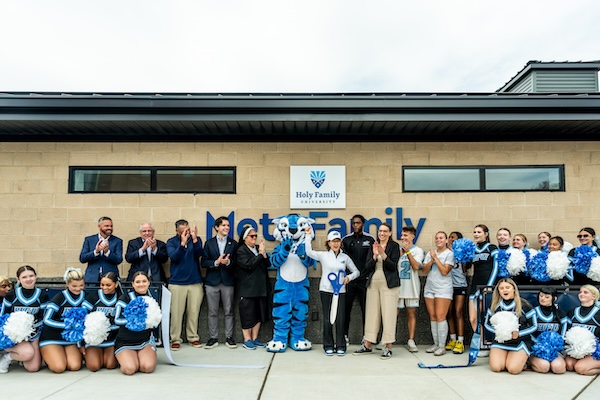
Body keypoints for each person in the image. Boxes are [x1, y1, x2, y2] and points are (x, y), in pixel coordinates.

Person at [305, 228, 359, 356]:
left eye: (337, 241)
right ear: (328, 243)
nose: (335, 244)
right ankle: (328, 345)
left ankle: (340, 346)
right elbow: (308, 252)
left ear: (340, 242)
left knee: (340, 319)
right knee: (327, 319)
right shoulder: (323, 256)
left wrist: (349, 277)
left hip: (341, 292)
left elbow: (356, 272)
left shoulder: (345, 258)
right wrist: (308, 236)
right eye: (333, 241)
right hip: (326, 291)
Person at [353, 223, 400, 360]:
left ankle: (388, 346)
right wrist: (374, 256)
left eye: (385, 231)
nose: (382, 234)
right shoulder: (373, 245)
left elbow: (393, 266)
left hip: (389, 283)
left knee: (388, 314)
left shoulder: (394, 246)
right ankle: (367, 344)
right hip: (374, 282)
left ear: (390, 233)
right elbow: (367, 267)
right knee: (372, 313)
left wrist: (383, 254)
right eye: (380, 231)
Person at [39, 268, 93, 373]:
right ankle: (49, 355)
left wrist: (81, 343)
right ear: (67, 284)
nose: (78, 289)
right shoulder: (59, 297)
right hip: (52, 337)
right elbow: (47, 320)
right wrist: (69, 325)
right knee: (59, 367)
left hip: (70, 340)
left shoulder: (86, 297)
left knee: (75, 366)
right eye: (74, 286)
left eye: (81, 285)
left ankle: (60, 355)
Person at [0, 266, 48, 373]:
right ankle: (7, 357)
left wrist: (29, 329)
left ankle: (16, 355)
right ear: (18, 279)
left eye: (31, 276)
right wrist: (14, 332)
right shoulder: (11, 295)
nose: (28, 279)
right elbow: (3, 316)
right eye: (24, 277)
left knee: (33, 368)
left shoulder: (42, 295)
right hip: (14, 335)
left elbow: (43, 318)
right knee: (27, 353)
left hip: (33, 334)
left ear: (35, 277)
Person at [483, 278, 537, 374]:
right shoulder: (495, 306)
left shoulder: (524, 305)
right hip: (501, 341)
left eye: (508, 287)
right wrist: (498, 331)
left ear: (514, 289)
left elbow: (534, 326)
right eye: (501, 288)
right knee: (496, 368)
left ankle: (523, 359)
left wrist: (519, 333)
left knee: (513, 369)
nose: (505, 290)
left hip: (520, 341)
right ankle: (507, 357)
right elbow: (487, 324)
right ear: (498, 291)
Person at [166, 219, 204, 351]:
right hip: (177, 283)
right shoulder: (171, 242)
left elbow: (200, 254)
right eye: (183, 231)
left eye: (187, 230)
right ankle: (175, 339)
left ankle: (193, 337)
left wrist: (194, 240)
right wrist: (182, 244)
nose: (186, 233)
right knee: (176, 313)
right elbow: (174, 257)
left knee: (193, 312)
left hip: (195, 281)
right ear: (177, 231)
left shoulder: (196, 239)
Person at [201, 216, 238, 349]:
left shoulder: (233, 244)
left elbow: (236, 263)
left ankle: (229, 337)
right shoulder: (209, 243)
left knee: (229, 311)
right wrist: (216, 262)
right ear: (217, 227)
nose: (227, 228)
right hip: (212, 282)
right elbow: (204, 262)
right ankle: (213, 338)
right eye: (224, 225)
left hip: (227, 281)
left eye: (228, 225)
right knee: (212, 311)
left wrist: (227, 262)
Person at [114, 271, 158, 375]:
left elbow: (156, 321)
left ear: (148, 283)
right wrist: (135, 321)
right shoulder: (125, 298)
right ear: (133, 284)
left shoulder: (152, 299)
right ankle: (125, 357)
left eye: (144, 281)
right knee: (130, 369)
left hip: (144, 341)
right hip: (125, 341)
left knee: (147, 367)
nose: (141, 284)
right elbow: (117, 320)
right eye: (138, 282)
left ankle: (141, 355)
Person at [234, 226, 272, 350]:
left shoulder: (257, 249)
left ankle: (255, 338)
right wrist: (260, 255)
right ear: (245, 238)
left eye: (255, 236)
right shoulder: (241, 251)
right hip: (247, 288)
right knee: (247, 314)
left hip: (260, 287)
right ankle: (247, 339)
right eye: (252, 236)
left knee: (258, 314)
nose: (254, 238)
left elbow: (267, 264)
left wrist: (264, 254)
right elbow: (249, 265)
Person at [341, 214, 375, 345]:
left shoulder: (370, 239)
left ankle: (366, 337)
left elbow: (372, 259)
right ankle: (344, 336)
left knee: (367, 311)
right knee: (346, 310)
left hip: (365, 281)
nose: (356, 225)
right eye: (354, 223)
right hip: (350, 281)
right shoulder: (346, 240)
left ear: (363, 224)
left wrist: (368, 275)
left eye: (358, 223)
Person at [422, 231, 455, 356]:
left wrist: (435, 258)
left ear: (446, 240)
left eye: (441, 238)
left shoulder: (449, 254)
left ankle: (442, 346)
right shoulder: (431, 253)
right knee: (433, 317)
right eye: (436, 238)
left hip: (443, 289)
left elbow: (445, 271)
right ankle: (436, 344)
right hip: (429, 287)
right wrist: (431, 259)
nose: (438, 240)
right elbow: (424, 270)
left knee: (441, 316)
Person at [468, 224, 499, 357]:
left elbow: (495, 268)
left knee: (484, 316)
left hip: (487, 286)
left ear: (486, 234)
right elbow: (468, 267)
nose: (476, 234)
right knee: (473, 317)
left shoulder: (492, 248)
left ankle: (487, 345)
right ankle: (479, 343)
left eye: (479, 232)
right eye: (474, 232)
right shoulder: (472, 249)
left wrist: (489, 286)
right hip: (474, 284)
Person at [83, 272, 121, 371]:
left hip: (112, 340)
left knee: (110, 365)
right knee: (94, 366)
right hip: (94, 340)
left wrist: (105, 329)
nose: (104, 287)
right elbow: (82, 318)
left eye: (108, 285)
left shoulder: (121, 298)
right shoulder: (93, 297)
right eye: (102, 285)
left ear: (116, 284)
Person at [397, 225, 425, 353]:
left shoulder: (418, 251)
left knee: (411, 313)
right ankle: (387, 339)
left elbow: (415, 266)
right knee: (393, 313)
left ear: (413, 237)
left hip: (411, 286)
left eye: (406, 235)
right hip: (397, 286)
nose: (403, 238)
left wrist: (408, 252)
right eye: (402, 235)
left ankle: (411, 340)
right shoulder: (396, 249)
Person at [529, 287, 568, 374]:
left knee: (558, 369)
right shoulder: (532, 312)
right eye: (541, 296)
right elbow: (529, 333)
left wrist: (553, 347)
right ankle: (529, 361)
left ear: (554, 298)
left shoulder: (560, 314)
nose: (542, 298)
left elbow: (563, 335)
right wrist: (540, 345)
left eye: (547, 297)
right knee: (544, 367)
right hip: (536, 349)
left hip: (554, 350)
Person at [565, 285, 600, 375]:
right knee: (569, 365)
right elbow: (567, 331)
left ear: (594, 296)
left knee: (580, 368)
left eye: (585, 292)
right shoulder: (572, 312)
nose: (581, 294)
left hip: (595, 350)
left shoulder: (598, 313)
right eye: (580, 292)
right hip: (578, 350)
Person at [79, 217, 123, 284]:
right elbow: (82, 258)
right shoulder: (89, 240)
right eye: (106, 226)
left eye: (111, 226)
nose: (110, 228)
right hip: (92, 278)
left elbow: (119, 259)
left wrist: (107, 252)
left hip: (110, 278)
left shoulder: (117, 241)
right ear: (99, 226)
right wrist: (95, 252)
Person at [445, 231, 468, 354]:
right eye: (449, 237)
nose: (450, 239)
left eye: (453, 238)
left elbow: (465, 268)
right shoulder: (446, 252)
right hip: (447, 285)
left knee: (458, 312)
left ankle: (460, 340)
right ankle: (452, 338)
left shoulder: (462, 252)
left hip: (460, 285)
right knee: (449, 313)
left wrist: (461, 255)